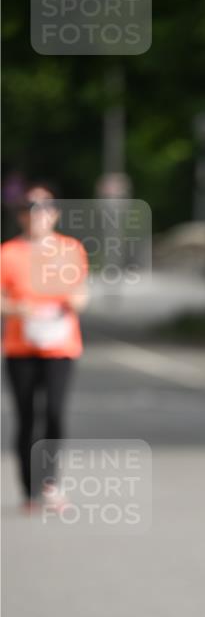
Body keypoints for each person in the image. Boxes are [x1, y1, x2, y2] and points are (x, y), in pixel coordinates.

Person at [1, 184, 88, 512]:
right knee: (26, 417)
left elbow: (81, 293)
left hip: (60, 346)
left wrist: (74, 302)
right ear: (21, 216)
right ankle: (29, 490)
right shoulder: (8, 253)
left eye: (45, 208)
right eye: (30, 209)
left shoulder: (70, 249)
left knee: (53, 411)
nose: (37, 215)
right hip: (20, 347)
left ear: (55, 213)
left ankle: (50, 482)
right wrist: (16, 308)